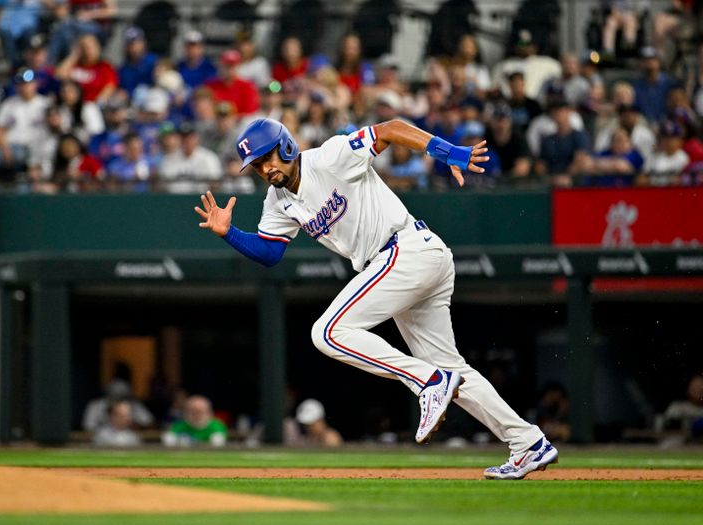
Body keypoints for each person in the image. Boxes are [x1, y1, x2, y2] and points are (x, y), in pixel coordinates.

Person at [194, 116, 559, 480]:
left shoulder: (329, 157)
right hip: (405, 263)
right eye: (257, 164)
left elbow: (389, 128)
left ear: (286, 146)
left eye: (268, 157)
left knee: (327, 333)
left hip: (405, 249)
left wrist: (445, 152)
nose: (265, 168)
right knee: (454, 372)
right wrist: (230, 234)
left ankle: (427, 382)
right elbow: (270, 253)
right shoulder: (277, 201)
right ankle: (527, 442)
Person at [161, 395, 228, 447]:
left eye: (200, 411)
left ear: (208, 412)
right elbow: (168, 440)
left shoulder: (216, 426)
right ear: (186, 412)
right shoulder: (179, 425)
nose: (197, 415)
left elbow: (218, 444)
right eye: (193, 412)